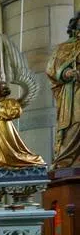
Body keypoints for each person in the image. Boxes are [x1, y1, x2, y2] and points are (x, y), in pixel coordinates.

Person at [46, 11, 80, 169]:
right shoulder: (65, 47)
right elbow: (52, 69)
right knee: (76, 123)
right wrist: (66, 73)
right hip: (74, 90)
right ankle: (66, 160)